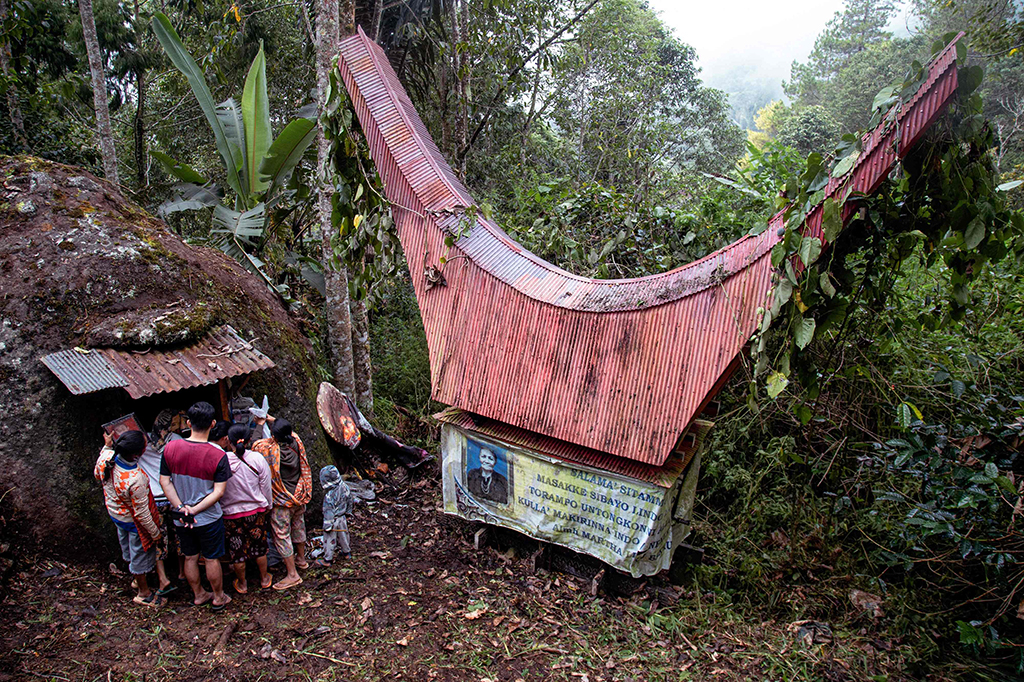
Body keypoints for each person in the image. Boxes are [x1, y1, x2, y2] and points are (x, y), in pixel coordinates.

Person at [159, 402, 232, 611]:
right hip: (208, 517)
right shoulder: (218, 454)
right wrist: (196, 509)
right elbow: (219, 492)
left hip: (181, 517)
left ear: (189, 423)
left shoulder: (170, 448)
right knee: (211, 558)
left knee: (190, 556)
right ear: (213, 423)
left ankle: (199, 594)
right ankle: (218, 596)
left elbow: (165, 482)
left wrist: (182, 507)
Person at [94, 430, 164, 607]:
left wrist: (107, 445)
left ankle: (136, 579)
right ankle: (143, 592)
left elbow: (98, 474)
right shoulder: (135, 478)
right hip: (133, 521)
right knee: (140, 554)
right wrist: (155, 533)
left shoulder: (107, 458)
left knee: (128, 547)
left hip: (116, 513)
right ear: (138, 454)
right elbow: (142, 514)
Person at [253, 418, 311, 590]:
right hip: (299, 494)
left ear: (273, 435)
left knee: (282, 535)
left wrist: (260, 423)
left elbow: (254, 444)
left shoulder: (269, 450)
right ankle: (301, 559)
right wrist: (271, 418)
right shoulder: (297, 443)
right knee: (298, 525)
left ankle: (292, 574)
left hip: (282, 501)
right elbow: (290, 432)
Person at [217, 424, 274, 593]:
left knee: (237, 551)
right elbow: (266, 486)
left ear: (228, 440)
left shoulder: (223, 460)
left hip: (231, 514)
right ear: (249, 440)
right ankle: (264, 578)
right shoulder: (257, 459)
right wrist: (268, 506)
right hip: (255, 511)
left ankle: (242, 583)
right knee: (259, 547)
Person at [136, 430, 178, 595]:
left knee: (158, 539)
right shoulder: (175, 438)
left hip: (153, 496)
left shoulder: (139, 441)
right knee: (179, 536)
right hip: (173, 494)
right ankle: (182, 572)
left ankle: (163, 578)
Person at [317, 466, 352, 566]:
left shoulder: (329, 496)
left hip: (333, 520)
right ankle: (346, 553)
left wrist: (327, 526)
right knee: (344, 536)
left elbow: (329, 512)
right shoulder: (345, 487)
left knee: (329, 540)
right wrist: (348, 512)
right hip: (342, 518)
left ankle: (328, 559)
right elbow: (350, 500)